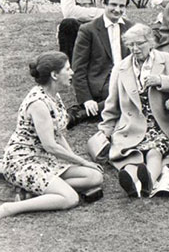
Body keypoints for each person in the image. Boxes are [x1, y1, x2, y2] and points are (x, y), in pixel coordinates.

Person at [91, 23, 169, 198]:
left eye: (139, 44)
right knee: (129, 154)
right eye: (130, 45)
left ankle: (148, 182)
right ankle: (131, 182)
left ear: (150, 42)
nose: (135, 49)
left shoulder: (167, 59)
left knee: (154, 151)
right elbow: (111, 104)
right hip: (131, 124)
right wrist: (105, 131)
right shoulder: (120, 68)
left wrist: (160, 80)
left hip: (159, 123)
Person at [0, 52, 104, 219]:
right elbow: (50, 145)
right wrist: (83, 161)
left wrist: (74, 158)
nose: (72, 73)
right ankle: (10, 208)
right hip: (24, 161)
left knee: (94, 177)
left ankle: (33, 192)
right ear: (54, 75)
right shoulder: (38, 104)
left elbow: (58, 134)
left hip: (44, 159)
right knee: (70, 198)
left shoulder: (54, 95)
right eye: (68, 69)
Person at [69, 0, 133, 127]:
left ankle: (84, 114)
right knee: (128, 95)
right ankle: (100, 107)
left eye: (122, 6)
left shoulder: (130, 28)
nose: (117, 10)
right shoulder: (88, 30)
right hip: (102, 82)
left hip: (126, 77)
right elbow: (78, 67)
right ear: (104, 4)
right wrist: (86, 99)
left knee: (132, 91)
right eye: (113, 5)